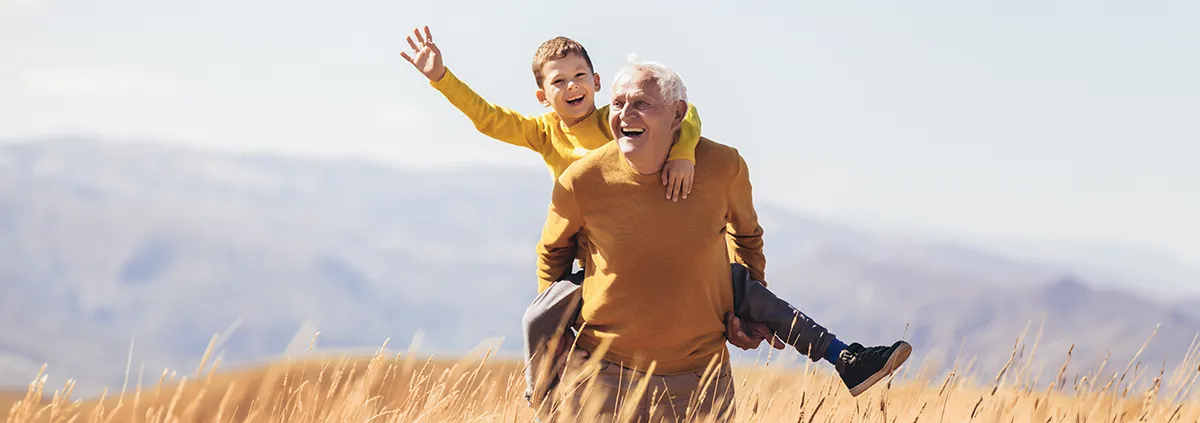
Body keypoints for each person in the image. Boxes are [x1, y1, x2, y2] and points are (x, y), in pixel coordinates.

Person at [531, 57, 913, 421]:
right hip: (604, 375)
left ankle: (844, 358)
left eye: (641, 103)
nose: (625, 114)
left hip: (701, 380)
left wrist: (742, 316)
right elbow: (553, 253)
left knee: (738, 282)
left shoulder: (722, 166)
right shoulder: (581, 180)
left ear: (678, 114)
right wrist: (558, 333)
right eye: (617, 103)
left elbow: (746, 237)